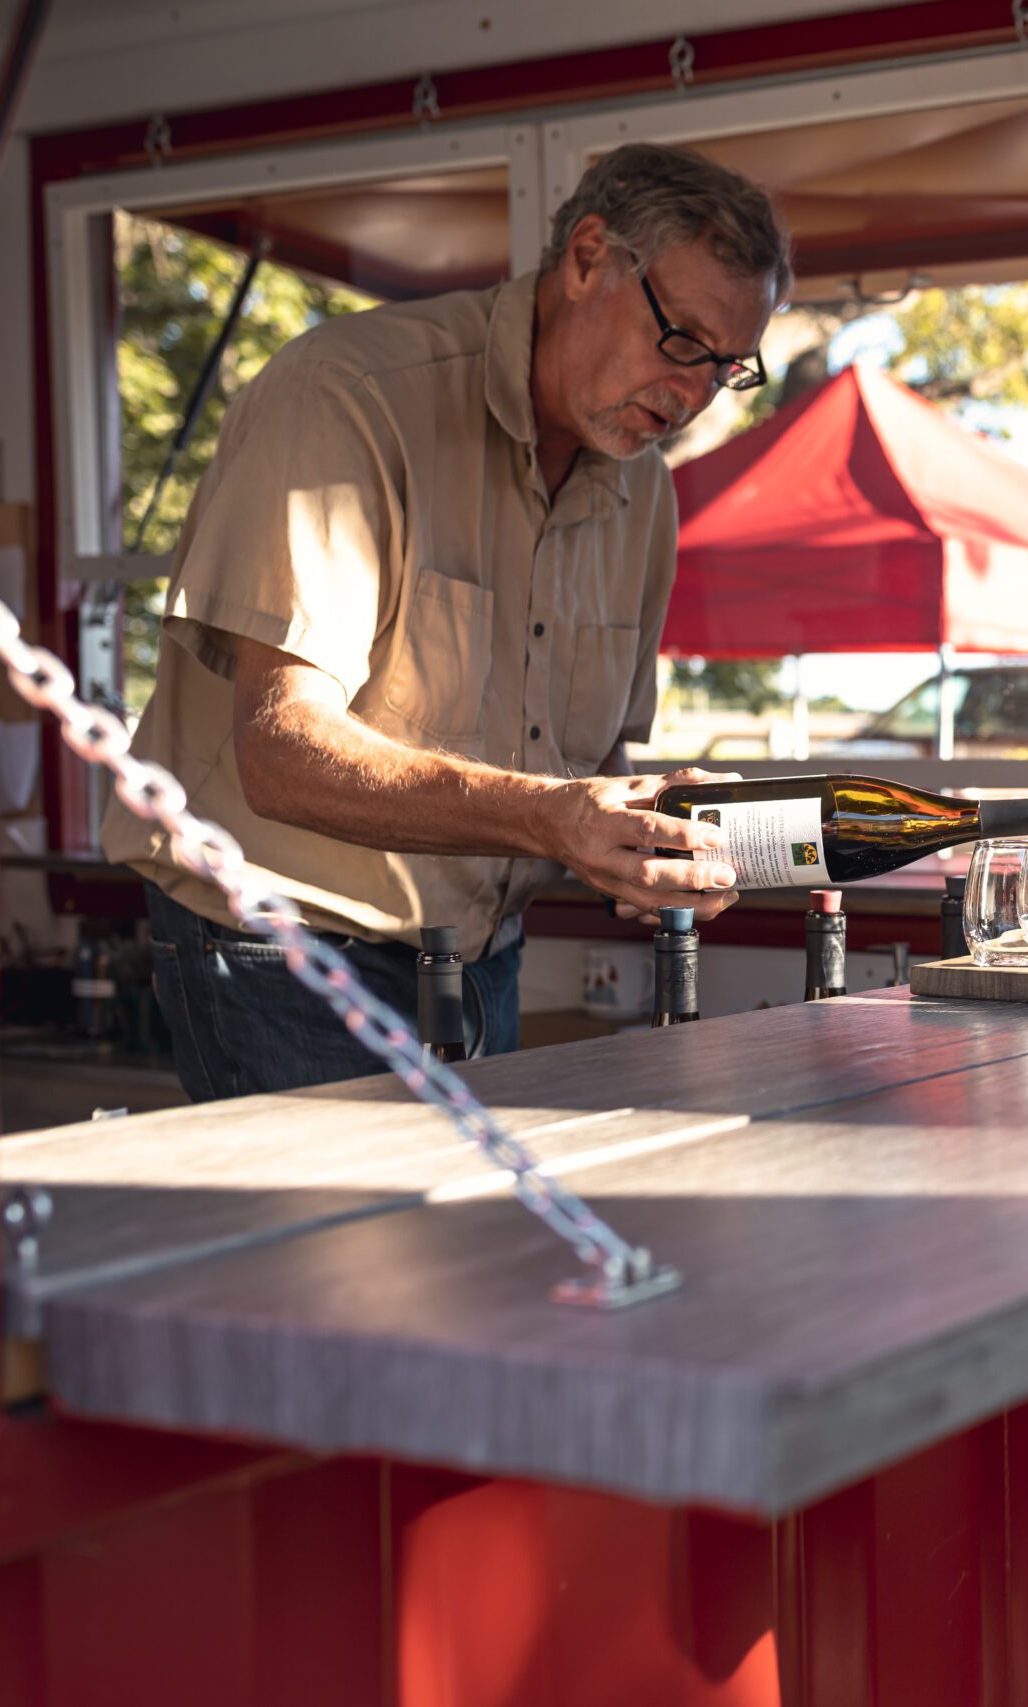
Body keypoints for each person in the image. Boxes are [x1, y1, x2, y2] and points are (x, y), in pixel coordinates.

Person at [105, 144, 787, 1101]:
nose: (692, 397)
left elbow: (587, 778)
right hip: (284, 955)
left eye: (727, 368)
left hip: (479, 966)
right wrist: (556, 818)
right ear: (589, 257)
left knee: (479, 1251)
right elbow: (280, 747)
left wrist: (649, 836)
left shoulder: (645, 500)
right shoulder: (347, 398)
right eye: (682, 343)